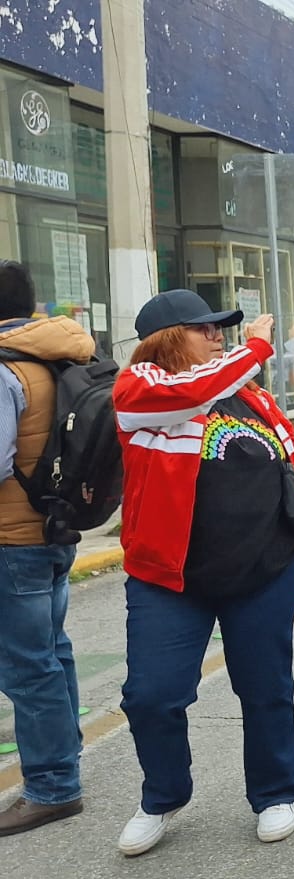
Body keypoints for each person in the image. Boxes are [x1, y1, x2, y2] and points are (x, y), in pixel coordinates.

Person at [111, 292, 294, 856]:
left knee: (265, 686)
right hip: (168, 580)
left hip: (264, 567)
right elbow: (194, 390)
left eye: (223, 328)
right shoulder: (140, 391)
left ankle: (275, 792)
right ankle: (163, 795)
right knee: (151, 695)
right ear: (168, 338)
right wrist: (256, 345)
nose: (219, 335)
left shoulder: (253, 398)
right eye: (206, 329)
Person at [0, 261, 94, 837]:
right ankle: (65, 756)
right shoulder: (62, 356)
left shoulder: (6, 367)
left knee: (26, 664)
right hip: (55, 529)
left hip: (13, 539)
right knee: (52, 650)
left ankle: (53, 785)